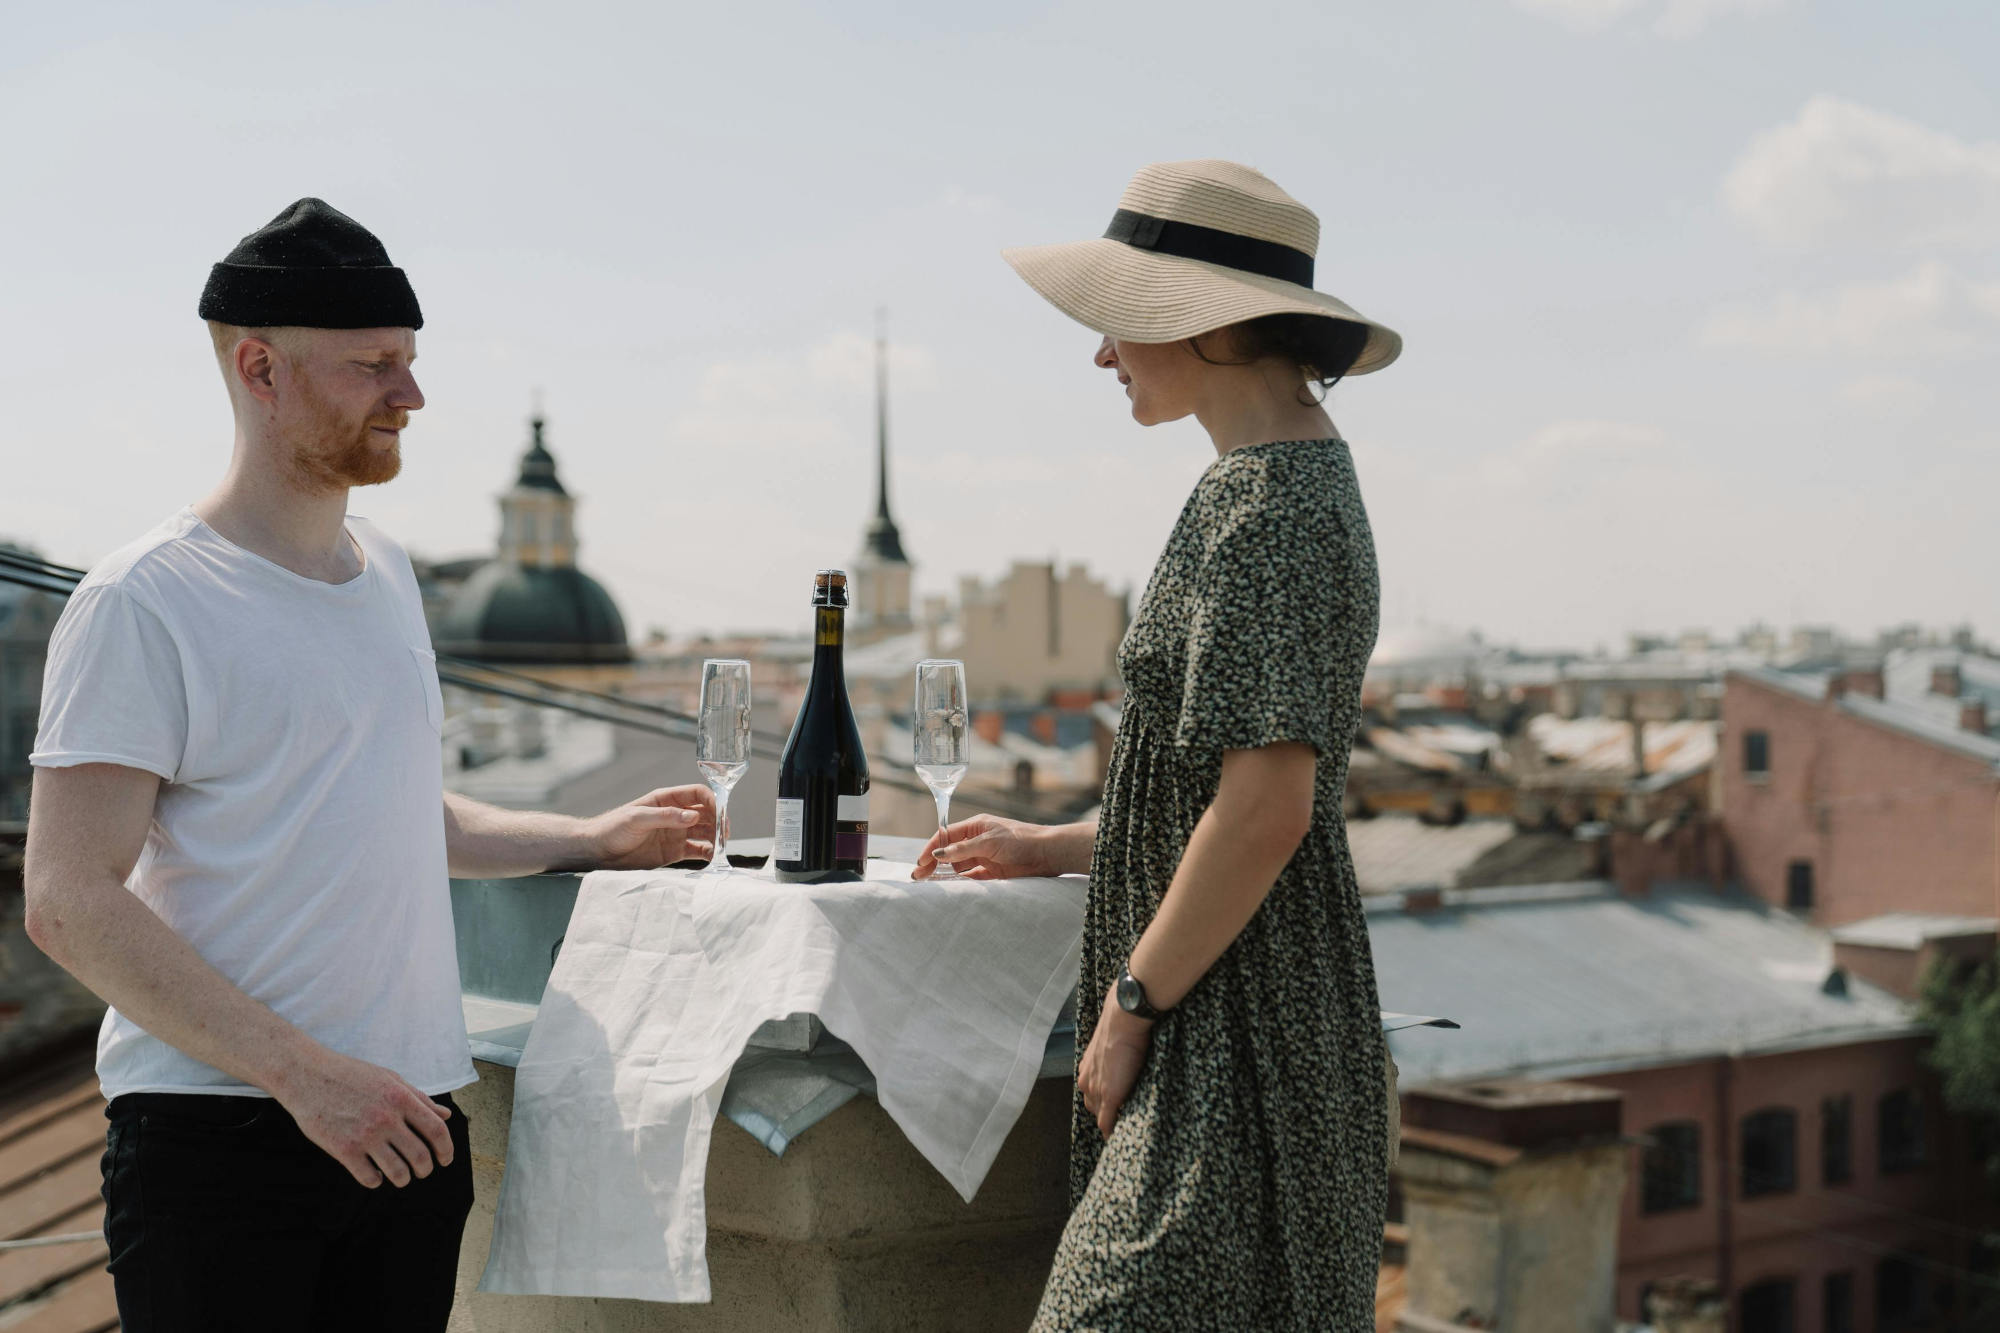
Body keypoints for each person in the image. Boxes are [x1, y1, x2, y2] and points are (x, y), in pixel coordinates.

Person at [22, 198, 716, 1332]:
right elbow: (66, 900)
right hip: (224, 1138)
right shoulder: (143, 599)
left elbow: (397, 814)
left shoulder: (384, 573)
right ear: (260, 368)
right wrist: (307, 1077)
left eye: (410, 361)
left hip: (406, 1124)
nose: (412, 396)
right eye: (373, 366)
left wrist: (591, 838)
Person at [915, 160, 1403, 1330]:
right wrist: (1056, 844)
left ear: (1207, 323)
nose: (1100, 355)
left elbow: (1266, 812)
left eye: (1116, 321)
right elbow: (1218, 792)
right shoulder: (1277, 483)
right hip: (1240, 1003)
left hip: (1234, 1025)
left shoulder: (1268, 506)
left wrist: (1131, 1002)